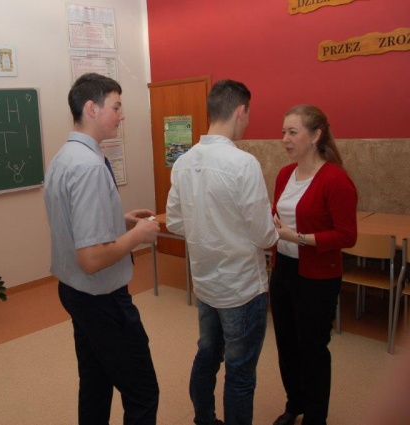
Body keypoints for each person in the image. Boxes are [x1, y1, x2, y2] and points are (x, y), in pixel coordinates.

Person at [44, 73, 161, 425]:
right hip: (102, 298)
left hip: (76, 292)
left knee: (95, 383)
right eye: (116, 107)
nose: (122, 115)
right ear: (91, 109)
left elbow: (74, 224)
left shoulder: (65, 157)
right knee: (143, 392)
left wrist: (118, 221)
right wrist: (138, 235)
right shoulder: (89, 167)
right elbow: (92, 258)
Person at [165, 79, 279, 425]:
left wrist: (207, 228)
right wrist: (268, 229)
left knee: (207, 355)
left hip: (205, 284)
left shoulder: (183, 162)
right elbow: (264, 235)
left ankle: (204, 418)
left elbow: (175, 221)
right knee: (240, 373)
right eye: (248, 115)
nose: (247, 122)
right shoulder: (244, 164)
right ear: (240, 111)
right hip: (242, 288)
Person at [269, 104, 357, 425]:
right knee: (287, 345)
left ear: (316, 135)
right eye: (283, 132)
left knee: (313, 350)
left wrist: (300, 238)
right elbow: (277, 217)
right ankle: (295, 404)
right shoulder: (284, 174)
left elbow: (347, 235)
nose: (285, 139)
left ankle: (315, 417)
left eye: (293, 132)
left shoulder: (335, 179)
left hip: (317, 277)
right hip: (283, 271)